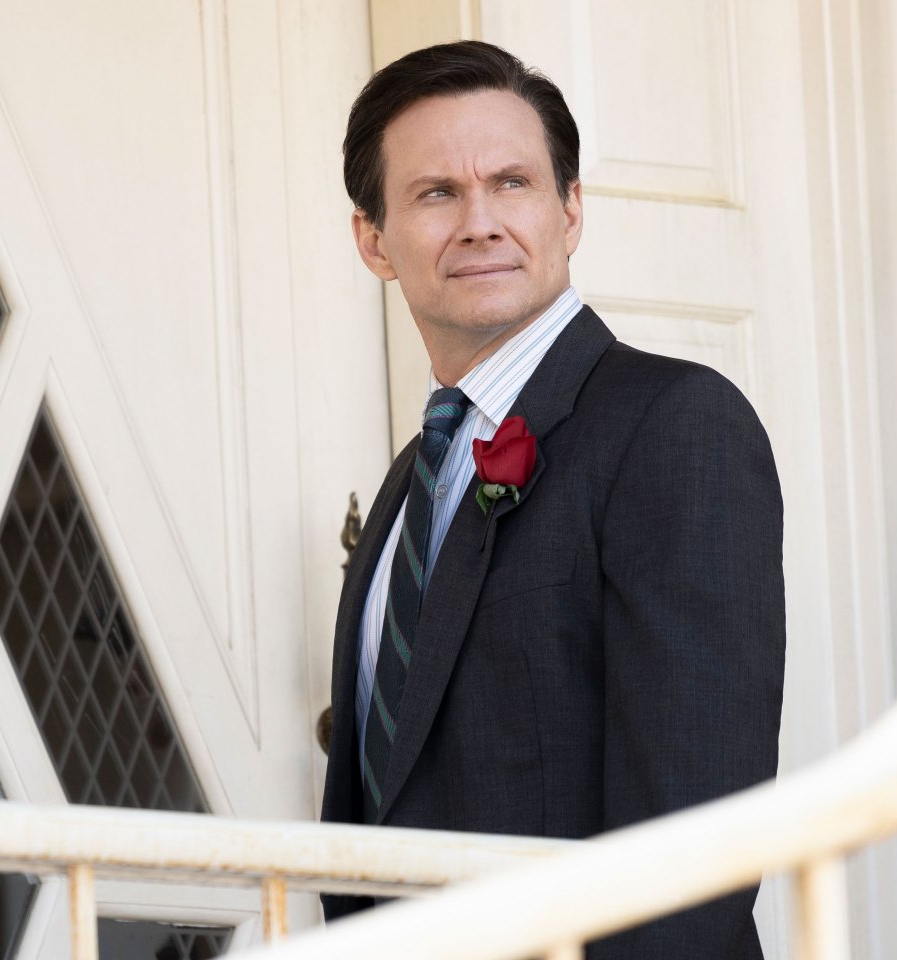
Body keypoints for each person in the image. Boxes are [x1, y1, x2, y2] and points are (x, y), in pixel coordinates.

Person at [319, 40, 786, 958]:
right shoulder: (408, 485)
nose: (481, 223)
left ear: (570, 210)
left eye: (513, 183)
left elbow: (698, 837)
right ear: (373, 240)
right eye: (437, 193)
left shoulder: (674, 424)